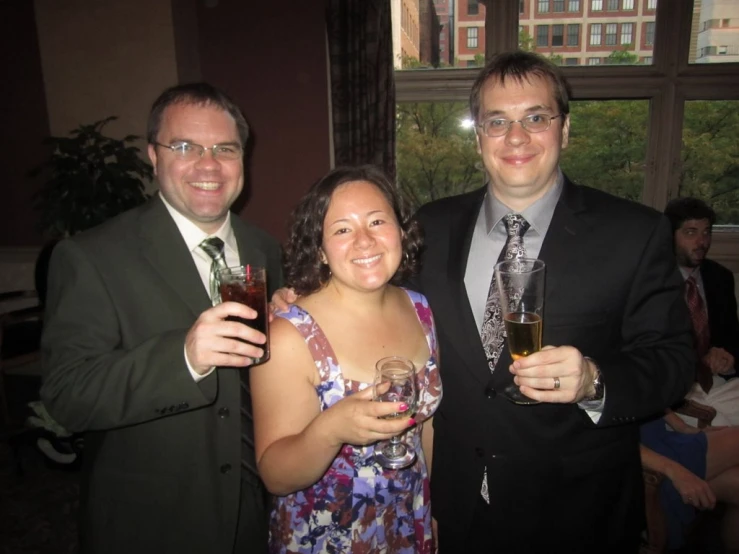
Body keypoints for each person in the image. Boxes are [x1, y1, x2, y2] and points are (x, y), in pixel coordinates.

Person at [409, 51, 694, 552]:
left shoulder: (635, 232)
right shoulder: (428, 227)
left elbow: (671, 360)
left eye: (536, 118)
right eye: (498, 121)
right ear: (479, 137)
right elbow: (375, 298)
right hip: (457, 505)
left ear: (564, 130)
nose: (516, 137)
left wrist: (593, 380)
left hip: (578, 512)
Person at [40, 83, 283, 554]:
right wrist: (184, 358)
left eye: (225, 149)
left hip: (252, 514)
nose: (208, 165)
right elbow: (66, 396)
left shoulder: (264, 248)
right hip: (151, 522)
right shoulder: (91, 256)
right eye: (186, 146)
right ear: (154, 155)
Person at [252, 165, 442, 553]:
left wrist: (433, 508)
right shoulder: (291, 336)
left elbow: (427, 430)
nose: (364, 241)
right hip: (327, 538)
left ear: (401, 232)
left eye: (377, 221)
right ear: (320, 249)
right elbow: (275, 475)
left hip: (409, 525)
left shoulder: (421, 309)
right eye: (342, 229)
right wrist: (330, 429)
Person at [665, 197, 739, 426]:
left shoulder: (720, 278)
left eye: (706, 232)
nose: (701, 241)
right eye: (690, 233)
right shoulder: (653, 280)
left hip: (715, 382)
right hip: (674, 386)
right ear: (670, 236)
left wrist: (727, 354)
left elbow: (732, 337)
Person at [640, 409, 739, 552]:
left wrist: (682, 426)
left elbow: (647, 394)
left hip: (660, 441)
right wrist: (676, 471)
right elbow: (605, 440)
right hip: (640, 464)